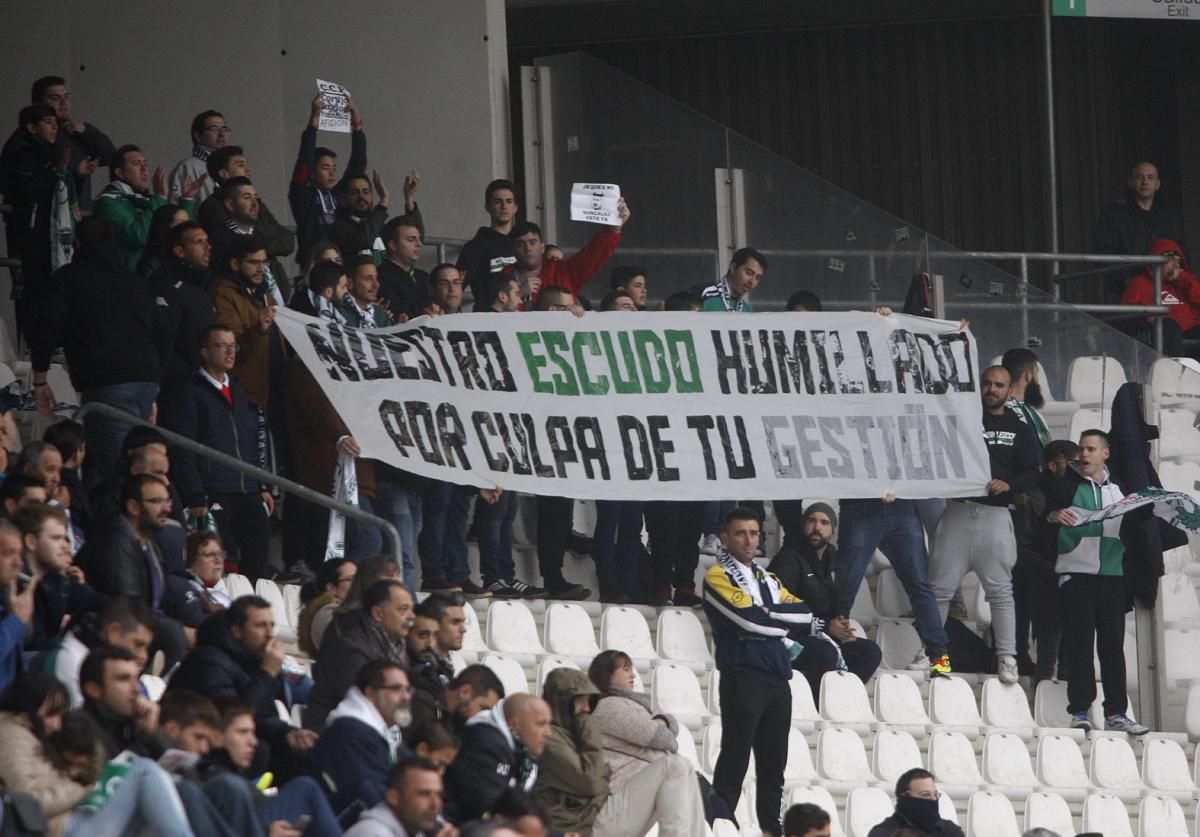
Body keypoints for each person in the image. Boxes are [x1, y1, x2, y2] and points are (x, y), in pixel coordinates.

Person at [702, 507, 814, 836]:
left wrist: (768, 613)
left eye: (754, 533)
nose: (749, 539)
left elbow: (805, 616)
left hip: (778, 678)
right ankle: (717, 827)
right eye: (740, 533)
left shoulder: (769, 579)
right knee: (734, 758)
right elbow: (747, 620)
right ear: (725, 538)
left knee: (773, 765)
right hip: (743, 675)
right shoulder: (717, 576)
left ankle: (770, 830)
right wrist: (777, 621)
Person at [32, 216, 165, 486]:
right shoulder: (134, 280)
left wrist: (40, 376)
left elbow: (46, 325)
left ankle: (120, 523)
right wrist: (153, 384)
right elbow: (159, 330)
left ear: (77, 243)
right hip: (145, 380)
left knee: (116, 472)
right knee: (115, 462)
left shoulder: (69, 278)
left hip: (108, 382)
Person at [929, 365, 1041, 685]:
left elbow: (1034, 472)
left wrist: (1009, 484)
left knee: (1001, 592)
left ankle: (1008, 657)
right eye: (987, 383)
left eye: (999, 385)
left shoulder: (1020, 427)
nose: (991, 389)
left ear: (1009, 391)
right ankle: (935, 654)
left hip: (996, 514)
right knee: (938, 588)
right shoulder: (963, 419)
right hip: (958, 511)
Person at [0, 670, 196, 837]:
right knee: (142, 771)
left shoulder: (28, 733)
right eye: (51, 714)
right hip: (66, 830)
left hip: (74, 819)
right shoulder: (12, 736)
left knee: (150, 801)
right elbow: (26, 803)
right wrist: (83, 790)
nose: (57, 725)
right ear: (28, 707)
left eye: (60, 715)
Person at [1045, 429, 1150, 734]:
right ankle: (1079, 709)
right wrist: (1055, 516)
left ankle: (1116, 713)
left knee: (1112, 647)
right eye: (1082, 449)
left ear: (1106, 453)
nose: (1084, 454)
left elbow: (1133, 527)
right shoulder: (1066, 485)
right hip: (1076, 574)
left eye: (1091, 449)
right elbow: (1046, 516)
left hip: (1112, 576)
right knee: (1079, 646)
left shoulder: (1121, 489)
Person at [537, 667, 705, 836]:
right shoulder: (551, 737)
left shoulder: (576, 730)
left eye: (589, 700)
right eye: (579, 700)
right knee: (673, 766)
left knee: (685, 766)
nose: (587, 707)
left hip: (600, 814)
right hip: (587, 824)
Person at [162, 323, 272, 580]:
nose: (230, 352)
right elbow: (184, 446)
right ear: (204, 351)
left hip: (247, 487)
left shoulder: (237, 389)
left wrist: (262, 484)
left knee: (258, 552)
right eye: (221, 346)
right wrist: (195, 494)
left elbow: (248, 440)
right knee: (215, 558)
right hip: (214, 488)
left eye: (233, 346)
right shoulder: (190, 390)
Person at [170, 595, 316, 769]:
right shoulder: (209, 662)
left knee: (307, 753)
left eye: (271, 625)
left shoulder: (252, 658)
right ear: (237, 631)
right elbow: (231, 720)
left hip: (237, 750)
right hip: (205, 757)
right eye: (260, 625)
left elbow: (264, 716)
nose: (269, 634)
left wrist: (287, 733)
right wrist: (267, 674)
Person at [767, 503, 883, 701]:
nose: (817, 527)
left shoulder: (834, 558)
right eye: (811, 521)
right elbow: (780, 612)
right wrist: (826, 627)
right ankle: (811, 705)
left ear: (832, 530)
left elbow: (842, 597)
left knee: (869, 652)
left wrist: (841, 623)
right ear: (803, 525)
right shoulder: (788, 559)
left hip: (823, 636)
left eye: (824, 522)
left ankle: (839, 702)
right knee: (824, 653)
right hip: (787, 638)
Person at [199, 698, 342, 836]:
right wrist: (264, 832)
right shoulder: (213, 778)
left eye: (253, 733)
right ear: (217, 736)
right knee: (306, 788)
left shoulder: (228, 771)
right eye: (243, 732)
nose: (253, 742)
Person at [306, 579, 415, 730]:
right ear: (378, 613)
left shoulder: (400, 647)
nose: (411, 617)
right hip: (337, 734)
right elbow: (367, 704)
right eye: (403, 609)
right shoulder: (351, 648)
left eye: (411, 609)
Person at [314, 659, 414, 813]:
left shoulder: (388, 732)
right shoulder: (349, 732)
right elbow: (369, 795)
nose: (406, 697)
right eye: (396, 689)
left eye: (408, 690)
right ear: (371, 693)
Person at [211, 233, 286, 421]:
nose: (261, 269)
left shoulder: (267, 297)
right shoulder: (223, 295)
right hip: (248, 396)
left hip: (277, 391)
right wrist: (258, 330)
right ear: (235, 264)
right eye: (253, 263)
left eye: (264, 263)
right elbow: (230, 348)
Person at [444, 693, 550, 824]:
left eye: (548, 724)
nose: (548, 733)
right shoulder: (484, 745)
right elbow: (490, 810)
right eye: (540, 724)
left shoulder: (527, 757)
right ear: (514, 723)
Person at [15, 503, 106, 653]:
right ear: (31, 542)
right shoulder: (13, 586)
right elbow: (32, 649)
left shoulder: (56, 581)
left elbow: (101, 602)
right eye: (56, 538)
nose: (66, 546)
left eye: (65, 538)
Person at [290, 93, 368, 269]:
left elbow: (358, 166)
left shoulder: (339, 195)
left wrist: (357, 126)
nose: (332, 173)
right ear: (312, 172)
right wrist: (314, 121)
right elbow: (303, 163)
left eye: (334, 168)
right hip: (314, 264)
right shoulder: (303, 196)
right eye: (325, 168)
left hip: (341, 264)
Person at [94, 144, 202, 271]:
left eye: (145, 163)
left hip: (156, 275)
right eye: (136, 163)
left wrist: (187, 200)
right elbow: (140, 236)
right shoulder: (108, 201)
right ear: (120, 173)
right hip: (129, 278)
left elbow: (181, 234)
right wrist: (160, 197)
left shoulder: (147, 200)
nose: (144, 168)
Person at [506, 200, 629, 308]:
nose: (528, 248)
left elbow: (593, 255)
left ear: (542, 247)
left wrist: (613, 230)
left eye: (533, 243)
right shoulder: (502, 278)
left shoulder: (564, 271)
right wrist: (519, 294)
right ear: (513, 250)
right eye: (520, 244)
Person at [1093, 161, 1187, 300]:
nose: (1145, 182)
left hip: (1168, 289)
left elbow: (1182, 250)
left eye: (1150, 177)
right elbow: (1103, 253)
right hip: (1128, 292)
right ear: (1131, 182)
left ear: (1157, 184)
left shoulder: (1169, 216)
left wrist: (1177, 273)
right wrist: (1127, 281)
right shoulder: (1113, 214)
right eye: (1139, 177)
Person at [148, 220, 219, 403]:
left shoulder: (203, 285)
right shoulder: (163, 286)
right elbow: (163, 341)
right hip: (177, 390)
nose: (208, 247)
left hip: (203, 385)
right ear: (179, 251)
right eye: (199, 242)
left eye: (207, 241)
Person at [47, 595, 154, 708]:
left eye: (147, 648)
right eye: (138, 644)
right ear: (114, 632)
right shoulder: (73, 662)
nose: (144, 656)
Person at [1120, 239, 1200, 356]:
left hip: (1188, 331)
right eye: (1171, 260)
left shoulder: (1183, 283)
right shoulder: (1140, 282)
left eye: (1178, 261)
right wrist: (1145, 316)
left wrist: (1184, 278)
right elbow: (1125, 316)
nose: (1175, 265)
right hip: (1160, 332)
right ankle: (1177, 369)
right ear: (1157, 261)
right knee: (1169, 323)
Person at [345, 756, 453, 837]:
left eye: (439, 795)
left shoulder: (414, 831)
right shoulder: (371, 833)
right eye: (424, 794)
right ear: (393, 797)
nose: (435, 804)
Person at [331, 169, 418, 260]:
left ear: (372, 195)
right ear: (345, 197)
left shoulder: (380, 226)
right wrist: (384, 201)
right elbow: (365, 239)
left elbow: (415, 235)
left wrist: (409, 198)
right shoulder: (340, 227)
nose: (361, 196)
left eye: (365, 192)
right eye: (354, 193)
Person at [458, 179, 520, 307]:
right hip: (487, 319)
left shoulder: (525, 244)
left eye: (509, 201)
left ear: (515, 208)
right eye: (498, 202)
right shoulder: (475, 247)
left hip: (525, 317)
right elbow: (457, 286)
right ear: (487, 207)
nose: (504, 207)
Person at [867, 768, 963, 837]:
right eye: (925, 795)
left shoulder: (950, 831)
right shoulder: (884, 833)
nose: (933, 800)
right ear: (906, 797)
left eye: (935, 795)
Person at [377, 214, 432, 322]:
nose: (419, 244)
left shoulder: (423, 276)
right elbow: (398, 313)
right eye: (411, 239)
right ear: (393, 245)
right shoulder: (382, 276)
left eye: (419, 239)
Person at [297, 558, 355, 658]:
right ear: (332, 588)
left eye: (358, 578)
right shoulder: (329, 614)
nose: (358, 584)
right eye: (350, 579)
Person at [0, 520, 33, 693]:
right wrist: (16, 620)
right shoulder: (13, 617)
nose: (18, 562)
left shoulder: (7, 598)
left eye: (20, 554)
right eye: (8, 553)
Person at [168, 110, 225, 203]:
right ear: (198, 136)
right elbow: (175, 206)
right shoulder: (187, 167)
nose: (222, 134)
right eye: (214, 129)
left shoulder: (230, 167)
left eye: (224, 129)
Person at [701, 247, 766, 312]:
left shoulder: (747, 309)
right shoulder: (704, 296)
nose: (752, 281)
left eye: (757, 278)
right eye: (748, 273)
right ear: (733, 268)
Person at [342, 255, 394, 327]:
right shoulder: (339, 312)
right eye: (367, 279)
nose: (376, 284)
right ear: (350, 283)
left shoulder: (381, 315)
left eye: (376, 278)